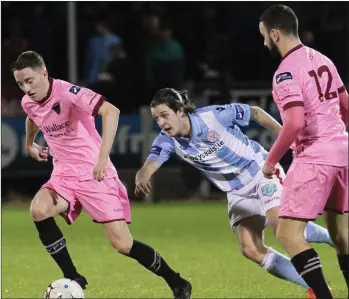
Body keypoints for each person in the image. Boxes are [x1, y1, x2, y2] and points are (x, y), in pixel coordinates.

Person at [12, 51, 192, 299]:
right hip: (64, 173)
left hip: (94, 172)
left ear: (44, 74)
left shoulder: (68, 93)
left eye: (29, 81)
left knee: (122, 244)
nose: (26, 88)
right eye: (20, 83)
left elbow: (112, 111)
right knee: (39, 209)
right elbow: (33, 115)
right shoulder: (28, 101)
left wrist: (101, 158)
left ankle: (177, 281)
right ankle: (72, 276)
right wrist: (29, 144)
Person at [135, 87, 334, 298]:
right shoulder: (166, 140)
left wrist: (284, 134)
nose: (161, 123)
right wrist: (142, 177)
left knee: (282, 229)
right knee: (251, 249)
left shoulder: (213, 116)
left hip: (260, 171)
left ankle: (333, 240)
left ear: (181, 111)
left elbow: (255, 112)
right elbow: (148, 166)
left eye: (164, 115)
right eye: (156, 119)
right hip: (237, 192)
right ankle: (313, 284)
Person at [259, 5, 348, 299]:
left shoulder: (285, 72)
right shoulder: (323, 60)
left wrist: (271, 161)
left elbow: (295, 122)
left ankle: (324, 296)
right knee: (341, 235)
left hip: (315, 157)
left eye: (264, 36)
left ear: (274, 33)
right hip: (342, 153)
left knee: (287, 233)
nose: (264, 43)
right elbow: (346, 107)